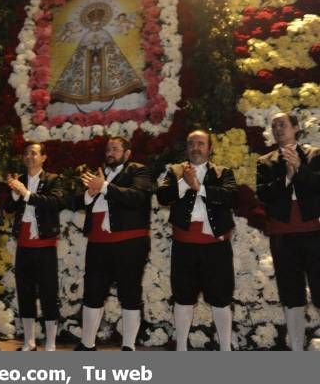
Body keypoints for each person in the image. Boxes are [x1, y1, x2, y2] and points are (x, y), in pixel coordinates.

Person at [157, 130, 238, 351]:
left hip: (216, 246)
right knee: (183, 296)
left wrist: (199, 188)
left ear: (210, 148)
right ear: (186, 148)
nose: (196, 147)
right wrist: (185, 183)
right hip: (184, 245)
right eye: (191, 143)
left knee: (221, 297)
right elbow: (163, 196)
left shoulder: (223, 172)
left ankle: (225, 349)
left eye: (201, 143)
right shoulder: (174, 171)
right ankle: (181, 348)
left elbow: (230, 196)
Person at [74, 136, 152, 351]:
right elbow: (77, 201)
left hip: (129, 242)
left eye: (115, 149)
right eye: (108, 149)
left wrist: (105, 187)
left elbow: (138, 196)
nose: (110, 153)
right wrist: (89, 194)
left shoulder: (138, 171)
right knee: (93, 292)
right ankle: (87, 343)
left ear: (127, 154)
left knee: (129, 293)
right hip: (98, 243)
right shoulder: (97, 173)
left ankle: (128, 346)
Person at [256, 112, 320, 351]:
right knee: (291, 293)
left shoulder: (315, 155)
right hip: (283, 236)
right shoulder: (266, 162)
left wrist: (299, 171)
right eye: (274, 126)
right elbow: (264, 195)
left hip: (314, 233)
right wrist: (287, 177)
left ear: (295, 127)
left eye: (282, 124)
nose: (278, 129)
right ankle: (296, 349)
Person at [6, 142, 65, 351]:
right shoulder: (19, 180)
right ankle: (29, 341)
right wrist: (14, 192)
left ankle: (50, 343)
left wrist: (26, 194)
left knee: (49, 292)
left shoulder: (53, 179)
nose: (29, 157)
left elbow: (56, 202)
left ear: (43, 158)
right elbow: (9, 208)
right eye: (26, 153)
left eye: (34, 153)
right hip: (23, 245)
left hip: (45, 244)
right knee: (25, 292)